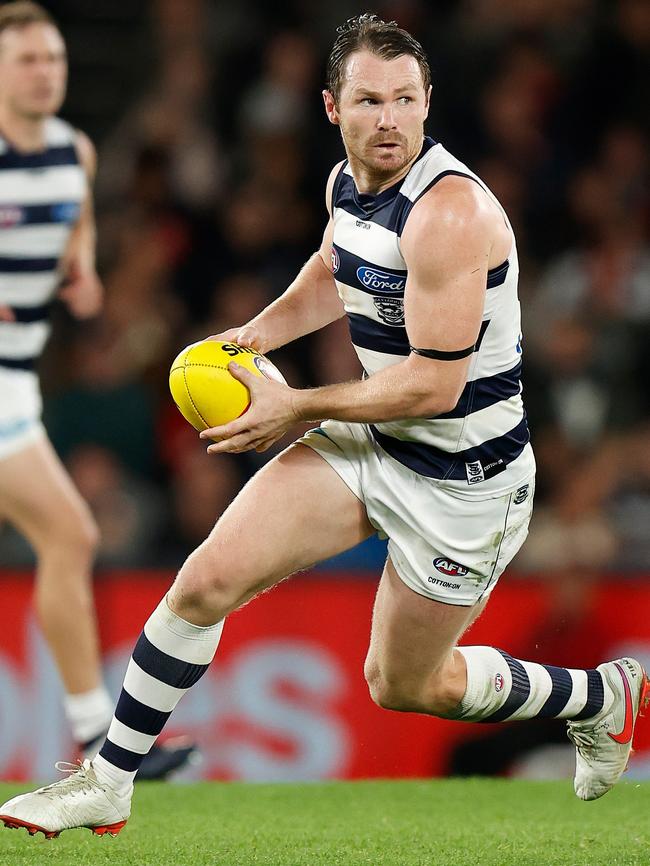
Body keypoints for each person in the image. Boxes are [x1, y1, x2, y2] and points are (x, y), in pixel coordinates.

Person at [2, 12, 647, 839]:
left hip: (462, 482)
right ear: (331, 107)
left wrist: (295, 403)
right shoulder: (349, 182)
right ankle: (109, 779)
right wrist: (253, 338)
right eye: (371, 100)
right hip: (374, 441)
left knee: (409, 684)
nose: (391, 119)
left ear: (427, 103)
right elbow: (331, 268)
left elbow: (434, 386)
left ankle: (599, 696)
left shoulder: (450, 216)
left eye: (407, 100)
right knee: (204, 583)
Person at [0, 1, 195, 780]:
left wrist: (81, 272)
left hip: (13, 384)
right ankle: (98, 743)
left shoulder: (72, 152)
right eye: (27, 60)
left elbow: (74, 233)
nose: (46, 72)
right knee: (71, 536)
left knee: (70, 538)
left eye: (54, 59)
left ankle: (96, 743)